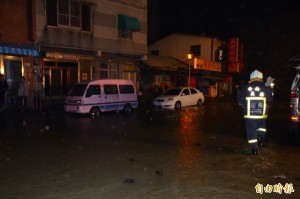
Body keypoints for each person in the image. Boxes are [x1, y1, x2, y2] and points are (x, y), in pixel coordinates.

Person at [237, 70, 274, 155]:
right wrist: (270, 88)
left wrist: (243, 105)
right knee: (261, 126)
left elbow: (239, 101)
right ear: (261, 78)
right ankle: (261, 138)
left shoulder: (246, 88)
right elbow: (271, 99)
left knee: (251, 131)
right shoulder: (265, 88)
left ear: (251, 78)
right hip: (262, 115)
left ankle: (254, 149)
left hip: (250, 116)